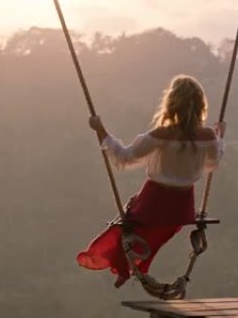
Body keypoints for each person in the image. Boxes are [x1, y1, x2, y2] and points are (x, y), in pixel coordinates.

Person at [76, 74, 225, 288]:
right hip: (182, 206)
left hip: (154, 200)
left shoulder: (161, 135)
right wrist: (220, 136)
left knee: (125, 232)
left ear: (171, 104)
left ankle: (124, 268)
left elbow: (124, 158)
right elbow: (214, 161)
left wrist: (100, 130)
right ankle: (128, 269)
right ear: (200, 104)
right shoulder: (207, 136)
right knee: (152, 237)